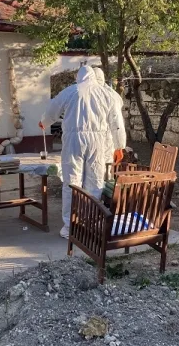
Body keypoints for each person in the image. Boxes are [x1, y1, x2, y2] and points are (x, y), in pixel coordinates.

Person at [40, 66, 124, 239]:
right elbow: (117, 122)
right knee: (95, 182)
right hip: (97, 142)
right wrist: (119, 146)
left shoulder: (70, 91)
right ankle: (89, 224)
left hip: (73, 141)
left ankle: (70, 227)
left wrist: (44, 122)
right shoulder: (106, 93)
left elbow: (53, 109)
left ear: (78, 77)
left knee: (72, 182)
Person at [93, 67, 127, 167]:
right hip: (96, 145)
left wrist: (119, 147)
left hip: (105, 145)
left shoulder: (110, 96)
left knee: (103, 171)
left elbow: (117, 123)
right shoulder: (110, 95)